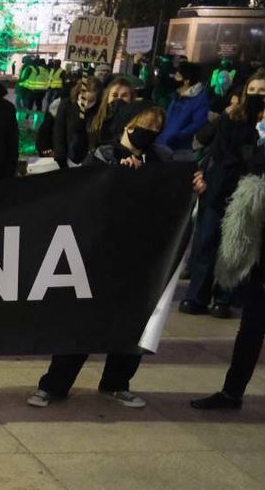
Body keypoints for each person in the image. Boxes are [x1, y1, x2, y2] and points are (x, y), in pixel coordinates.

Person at [28, 106, 170, 410]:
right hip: (100, 253)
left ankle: (117, 383)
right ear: (127, 126)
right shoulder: (103, 156)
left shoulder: (163, 160)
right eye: (144, 124)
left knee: (135, 322)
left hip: (141, 257)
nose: (150, 131)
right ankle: (54, 385)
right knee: (82, 320)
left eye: (157, 127)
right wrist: (118, 174)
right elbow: (88, 197)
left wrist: (192, 186)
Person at [191, 116, 265, 410]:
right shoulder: (254, 146)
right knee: (250, 332)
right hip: (263, 265)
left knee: (250, 332)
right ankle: (231, 393)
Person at [181, 72, 265, 317]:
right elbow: (215, 150)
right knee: (206, 242)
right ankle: (196, 295)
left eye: (262, 92)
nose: (256, 97)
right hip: (219, 187)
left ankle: (225, 297)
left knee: (237, 245)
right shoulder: (231, 120)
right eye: (251, 91)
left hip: (253, 193)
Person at [160, 62, 211, 154]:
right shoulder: (176, 94)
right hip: (162, 141)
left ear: (187, 80)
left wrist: (177, 137)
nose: (174, 77)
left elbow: (198, 123)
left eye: (178, 75)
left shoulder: (199, 99)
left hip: (178, 148)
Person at [51, 77, 99, 168]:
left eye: (93, 91)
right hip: (68, 155)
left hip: (90, 158)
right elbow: (59, 131)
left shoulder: (99, 108)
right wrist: (60, 156)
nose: (87, 103)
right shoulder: (67, 104)